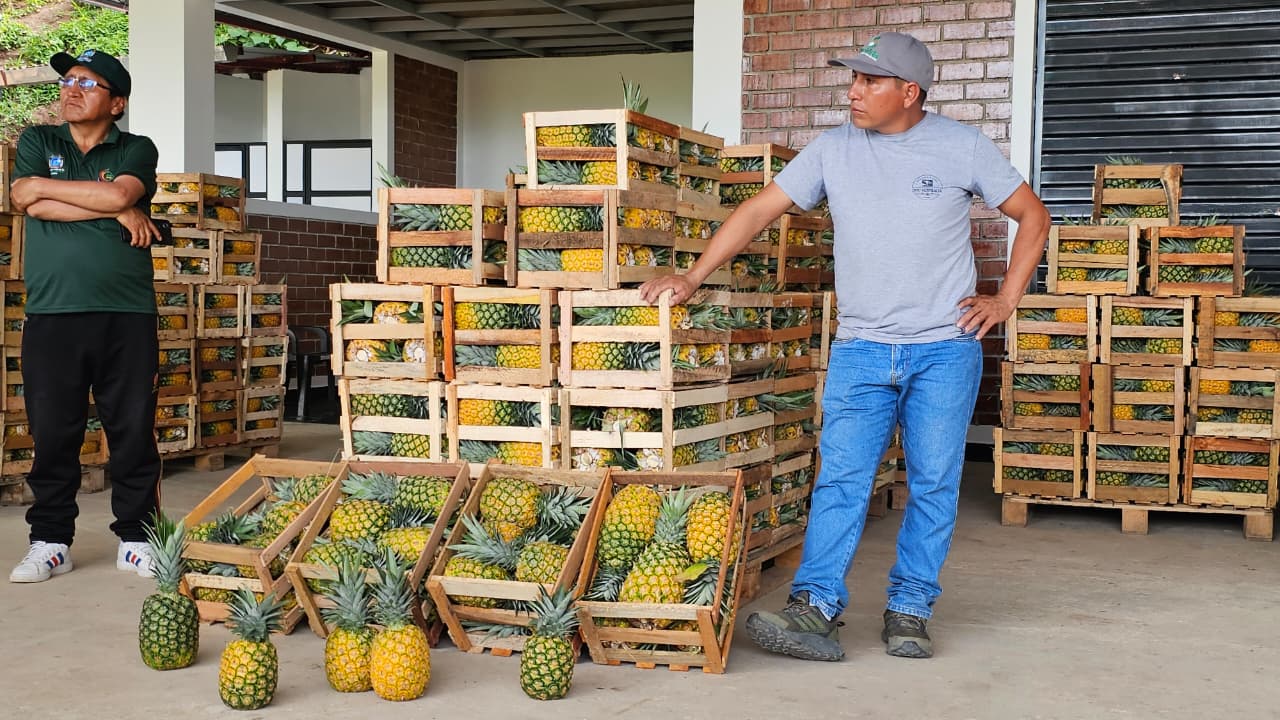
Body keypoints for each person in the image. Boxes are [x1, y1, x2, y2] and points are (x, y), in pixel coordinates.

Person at [640, 32, 1050, 660]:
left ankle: (910, 610)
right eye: (852, 80)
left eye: (869, 82)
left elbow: (1033, 216)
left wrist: (1005, 300)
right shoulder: (832, 150)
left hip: (945, 348)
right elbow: (757, 211)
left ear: (908, 92)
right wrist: (692, 275)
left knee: (936, 483)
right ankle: (815, 609)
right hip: (861, 349)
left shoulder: (961, 146)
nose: (853, 92)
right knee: (841, 481)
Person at [7, 49, 164, 583]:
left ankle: (138, 538)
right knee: (53, 432)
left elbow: (116, 189)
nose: (71, 89)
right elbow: (25, 198)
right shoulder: (39, 141)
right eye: (68, 80)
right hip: (53, 314)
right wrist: (115, 210)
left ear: (116, 103)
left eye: (88, 83)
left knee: (133, 429)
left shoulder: (136, 148)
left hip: (127, 314)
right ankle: (50, 540)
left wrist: (115, 198)